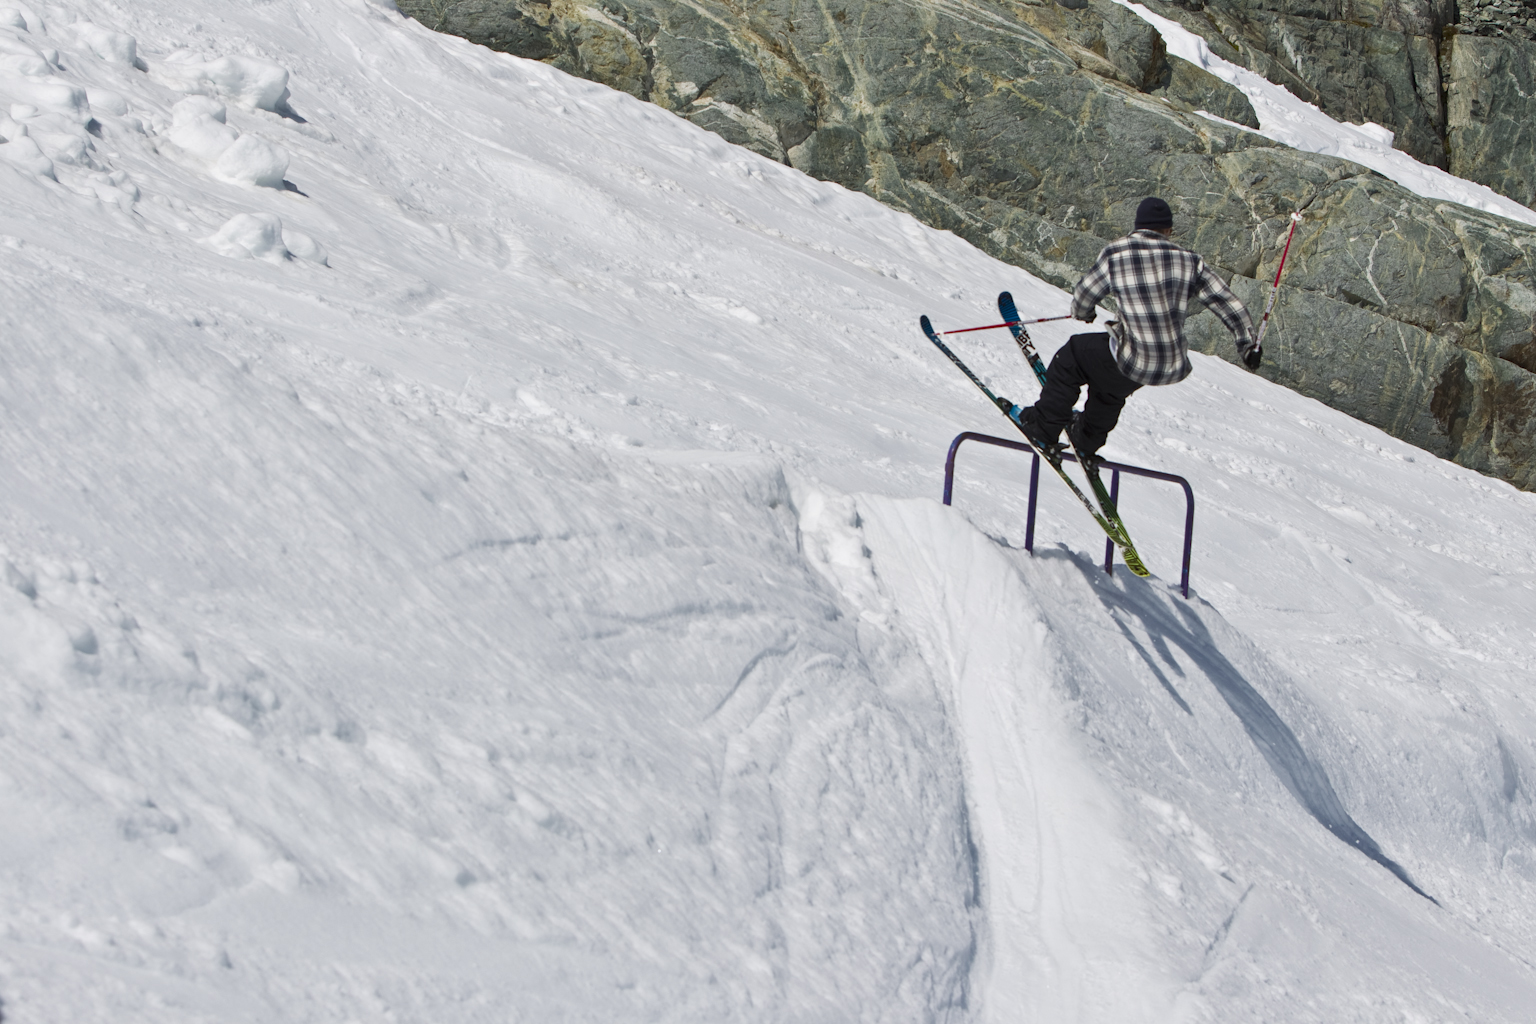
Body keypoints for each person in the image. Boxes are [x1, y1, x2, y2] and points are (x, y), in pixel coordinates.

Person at [1014, 197, 1260, 465]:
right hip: (1168, 365)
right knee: (1110, 385)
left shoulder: (1117, 253)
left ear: (1138, 226)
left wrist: (1084, 313)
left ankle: (1043, 428)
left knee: (1073, 356)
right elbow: (1227, 303)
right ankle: (1085, 440)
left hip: (1133, 355)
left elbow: (1085, 293)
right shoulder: (1190, 261)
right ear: (1168, 230)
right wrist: (1248, 345)